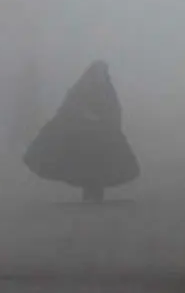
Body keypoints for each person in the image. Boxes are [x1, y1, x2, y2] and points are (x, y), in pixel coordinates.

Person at [23, 60, 140, 202]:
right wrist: (84, 116)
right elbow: (70, 107)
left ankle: (95, 194)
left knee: (100, 167)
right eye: (99, 72)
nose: (101, 76)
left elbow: (114, 109)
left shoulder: (108, 90)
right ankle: (90, 193)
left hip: (102, 138)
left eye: (103, 73)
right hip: (83, 137)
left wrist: (106, 121)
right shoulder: (81, 88)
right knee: (86, 167)